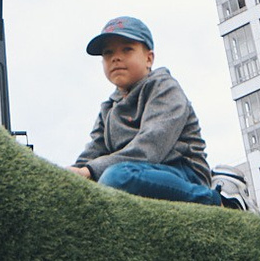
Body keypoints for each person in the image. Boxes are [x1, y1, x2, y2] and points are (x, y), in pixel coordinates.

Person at [70, 17, 222, 205]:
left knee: (116, 177)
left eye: (127, 49)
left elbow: (151, 146)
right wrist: (72, 174)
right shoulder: (109, 108)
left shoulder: (164, 88)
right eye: (108, 53)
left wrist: (90, 171)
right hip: (132, 171)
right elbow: (94, 150)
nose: (116, 58)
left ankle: (215, 199)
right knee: (82, 188)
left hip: (182, 172)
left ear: (149, 58)